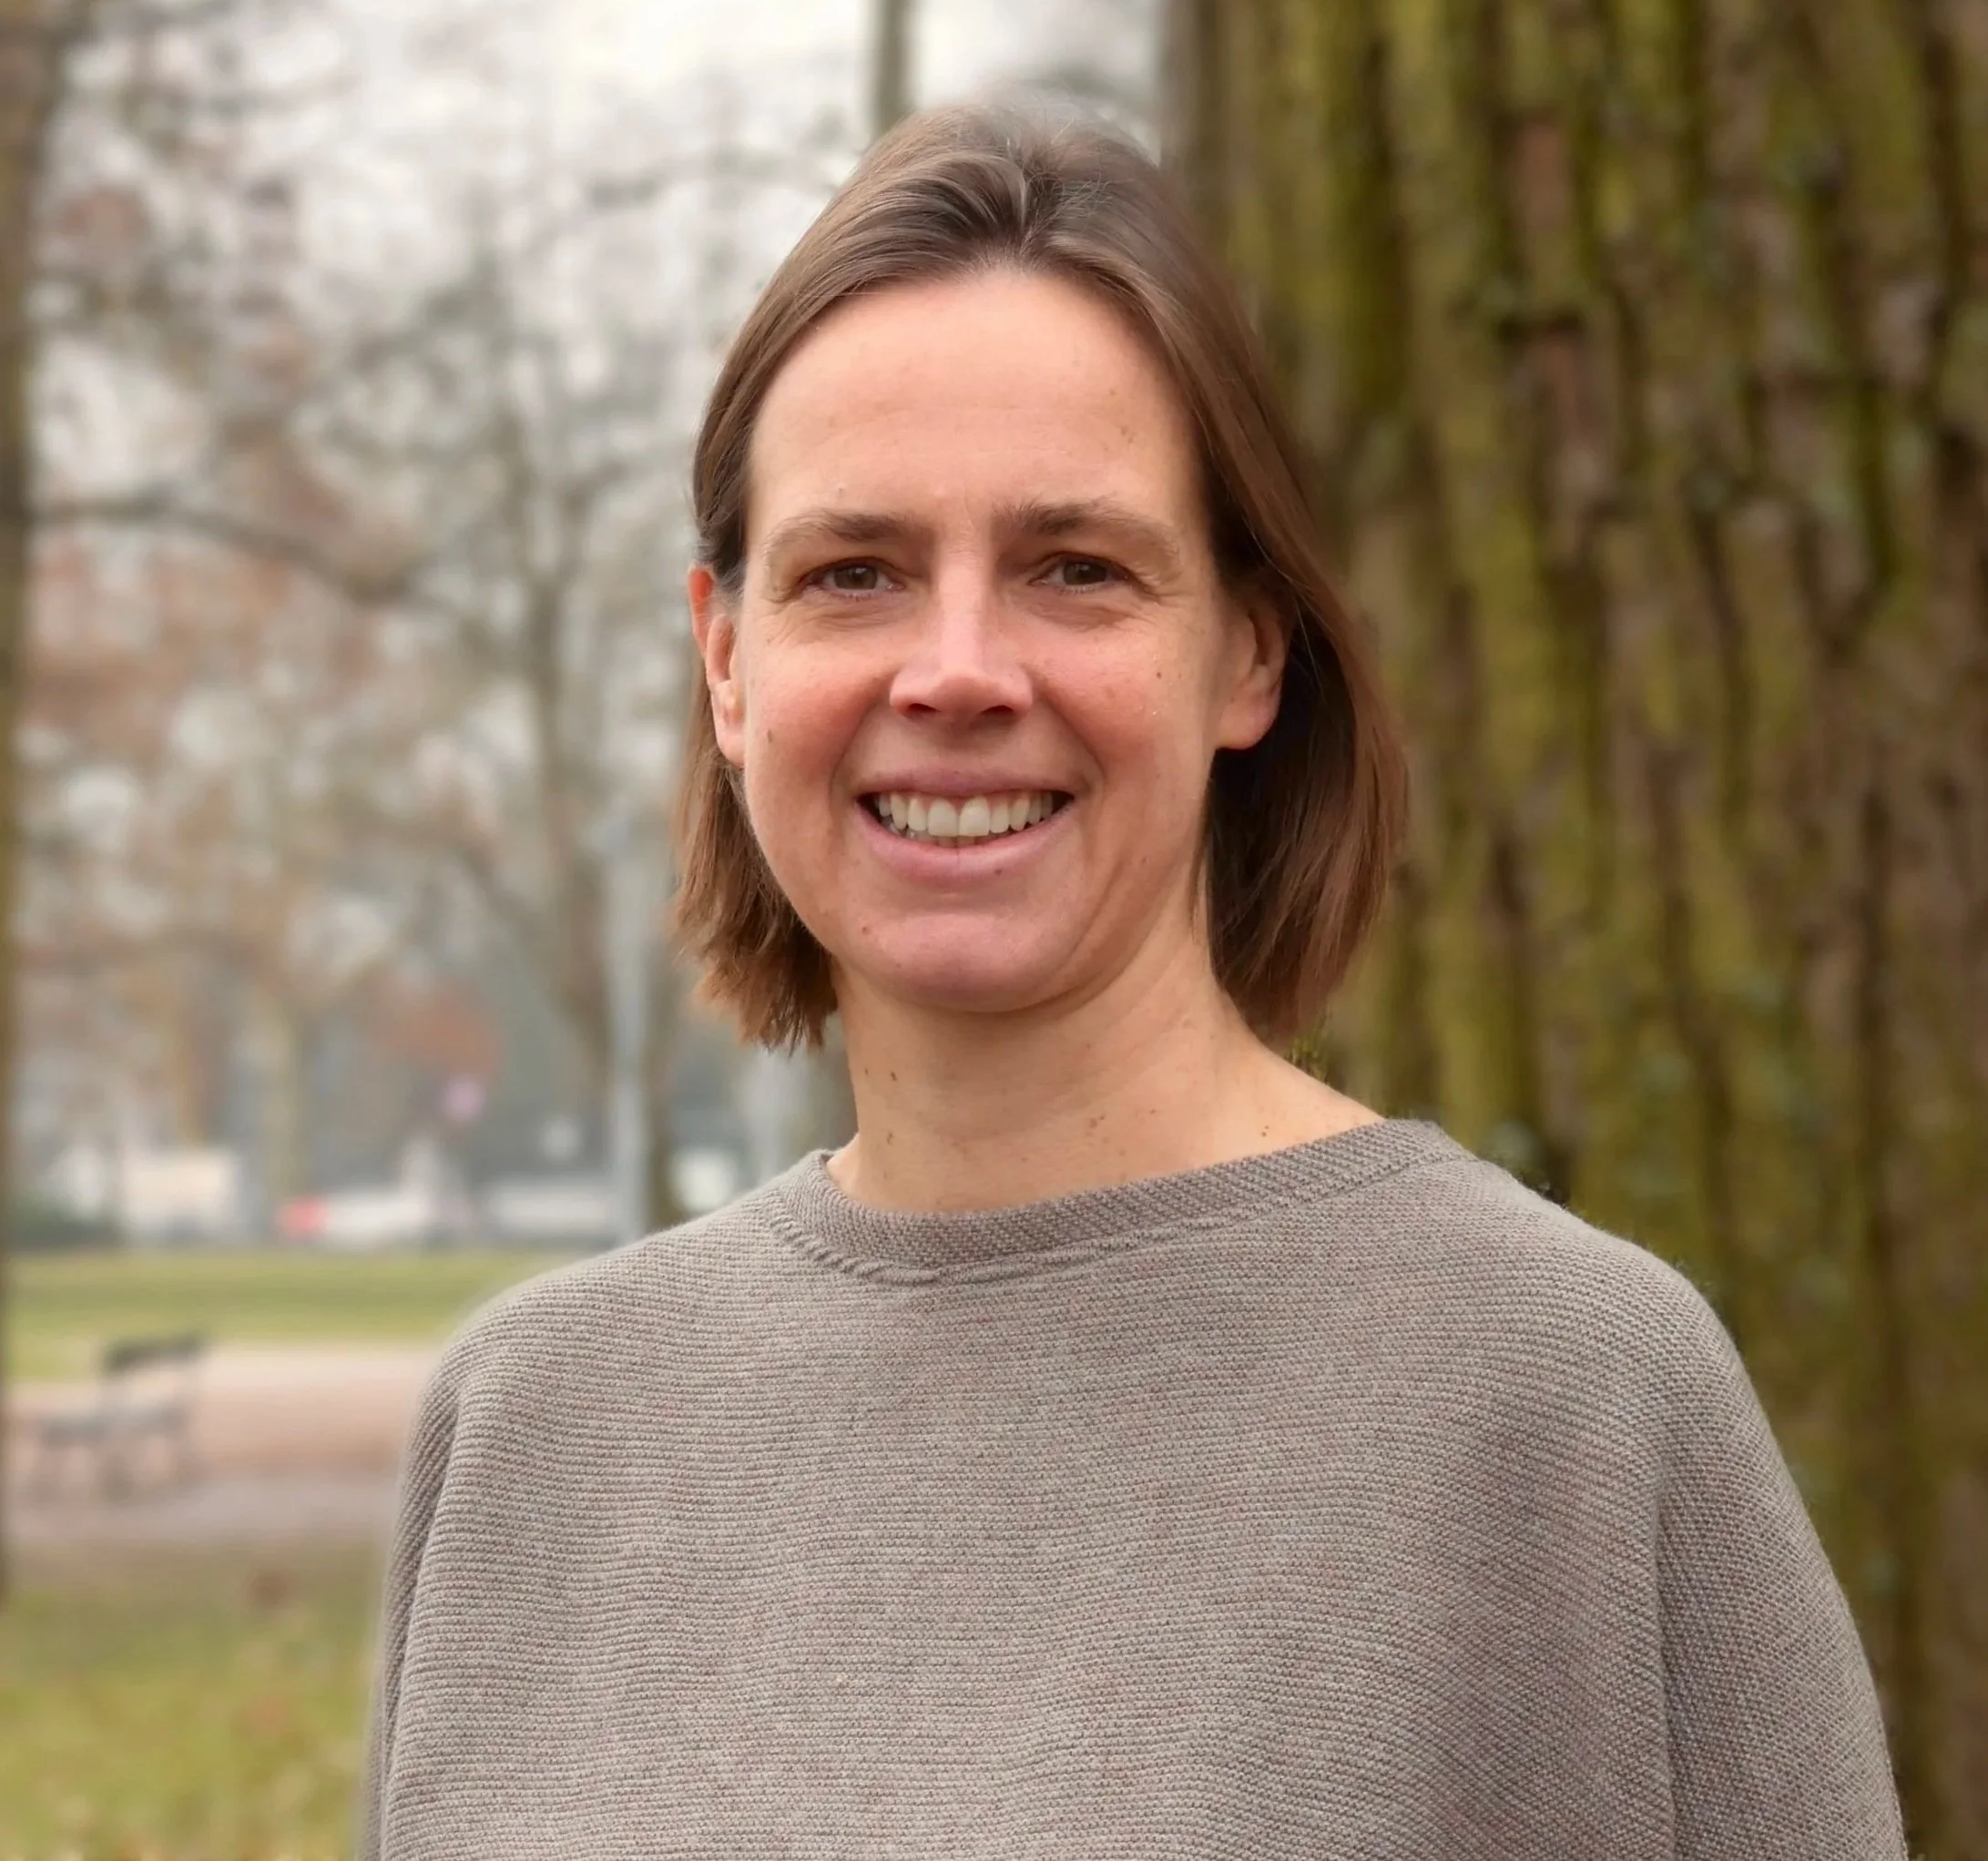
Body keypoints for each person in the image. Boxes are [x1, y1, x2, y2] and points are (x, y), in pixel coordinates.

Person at [358, 106, 1909, 1860]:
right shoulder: (531, 1428)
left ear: (1246, 651)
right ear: (728, 660)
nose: (955, 670)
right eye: (854, 573)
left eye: (1073, 570)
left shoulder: (1568, 1403)